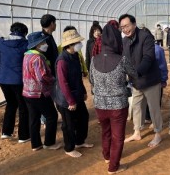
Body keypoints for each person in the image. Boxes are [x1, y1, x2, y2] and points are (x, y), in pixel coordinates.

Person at [90, 24, 137, 174]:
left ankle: (107, 156)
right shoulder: (121, 59)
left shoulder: (93, 60)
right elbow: (134, 74)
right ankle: (113, 167)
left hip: (100, 105)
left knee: (105, 132)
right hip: (118, 105)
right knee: (118, 137)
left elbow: (91, 80)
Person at [119, 14, 163, 147]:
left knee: (153, 107)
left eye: (127, 26)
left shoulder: (146, 37)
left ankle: (158, 134)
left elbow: (148, 58)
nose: (125, 29)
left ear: (134, 24)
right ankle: (137, 131)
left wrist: (136, 72)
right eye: (122, 27)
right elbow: (123, 59)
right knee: (137, 106)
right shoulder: (125, 41)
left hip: (150, 80)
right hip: (136, 82)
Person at [55, 29, 93, 158]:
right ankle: (69, 148)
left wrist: (83, 91)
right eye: (77, 42)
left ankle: (79, 141)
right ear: (70, 44)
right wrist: (70, 101)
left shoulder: (75, 56)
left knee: (83, 117)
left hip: (77, 95)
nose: (79, 44)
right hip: (66, 100)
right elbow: (62, 83)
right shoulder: (62, 61)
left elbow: (78, 77)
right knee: (69, 125)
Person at [0, 22, 30, 143]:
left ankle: (6, 132)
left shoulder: (1, 43)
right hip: (19, 80)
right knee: (23, 107)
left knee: (11, 104)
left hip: (3, 80)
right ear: (24, 33)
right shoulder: (25, 44)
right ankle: (23, 136)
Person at [22, 31, 60, 151]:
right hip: (39, 93)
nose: (46, 44)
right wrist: (54, 79)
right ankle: (49, 143)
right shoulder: (38, 58)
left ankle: (36, 144)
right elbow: (42, 77)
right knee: (52, 116)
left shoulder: (27, 55)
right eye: (43, 42)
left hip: (27, 92)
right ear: (37, 45)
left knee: (33, 118)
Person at [144, 41, 168, 124]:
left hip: (155, 79)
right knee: (149, 100)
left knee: (155, 100)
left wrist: (163, 79)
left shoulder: (157, 50)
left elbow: (162, 65)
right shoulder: (141, 48)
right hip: (147, 79)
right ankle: (148, 117)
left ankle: (153, 120)